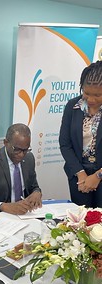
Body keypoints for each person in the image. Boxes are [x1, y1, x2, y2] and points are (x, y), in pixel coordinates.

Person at [59, 61, 102, 207]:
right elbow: (65, 144)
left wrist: (98, 176)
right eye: (86, 93)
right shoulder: (72, 106)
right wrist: (80, 173)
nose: (90, 99)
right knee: (81, 222)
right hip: (79, 176)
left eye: (97, 95)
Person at [0, 123, 42, 215]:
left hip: (25, 214)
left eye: (25, 150)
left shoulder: (29, 158)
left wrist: (37, 192)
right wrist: (4, 206)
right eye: (16, 149)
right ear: (6, 143)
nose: (21, 154)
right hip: (3, 216)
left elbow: (34, 186)